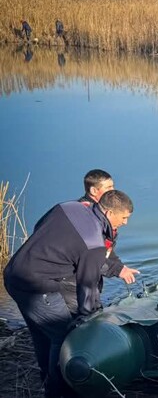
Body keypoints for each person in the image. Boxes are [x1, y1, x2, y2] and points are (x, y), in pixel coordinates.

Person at [3, 190, 134, 398]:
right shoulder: (94, 243)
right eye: (124, 217)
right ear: (109, 213)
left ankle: (48, 381)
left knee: (41, 334)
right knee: (64, 337)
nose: (126, 222)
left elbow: (40, 228)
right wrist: (87, 319)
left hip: (13, 274)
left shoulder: (69, 206)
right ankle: (61, 390)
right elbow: (87, 286)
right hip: (37, 286)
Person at [77, 169, 140, 287]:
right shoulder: (86, 216)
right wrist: (117, 270)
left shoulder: (101, 215)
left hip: (88, 278)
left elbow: (105, 250)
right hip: (71, 283)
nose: (113, 191)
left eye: (113, 186)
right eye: (108, 187)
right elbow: (88, 256)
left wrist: (120, 267)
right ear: (93, 191)